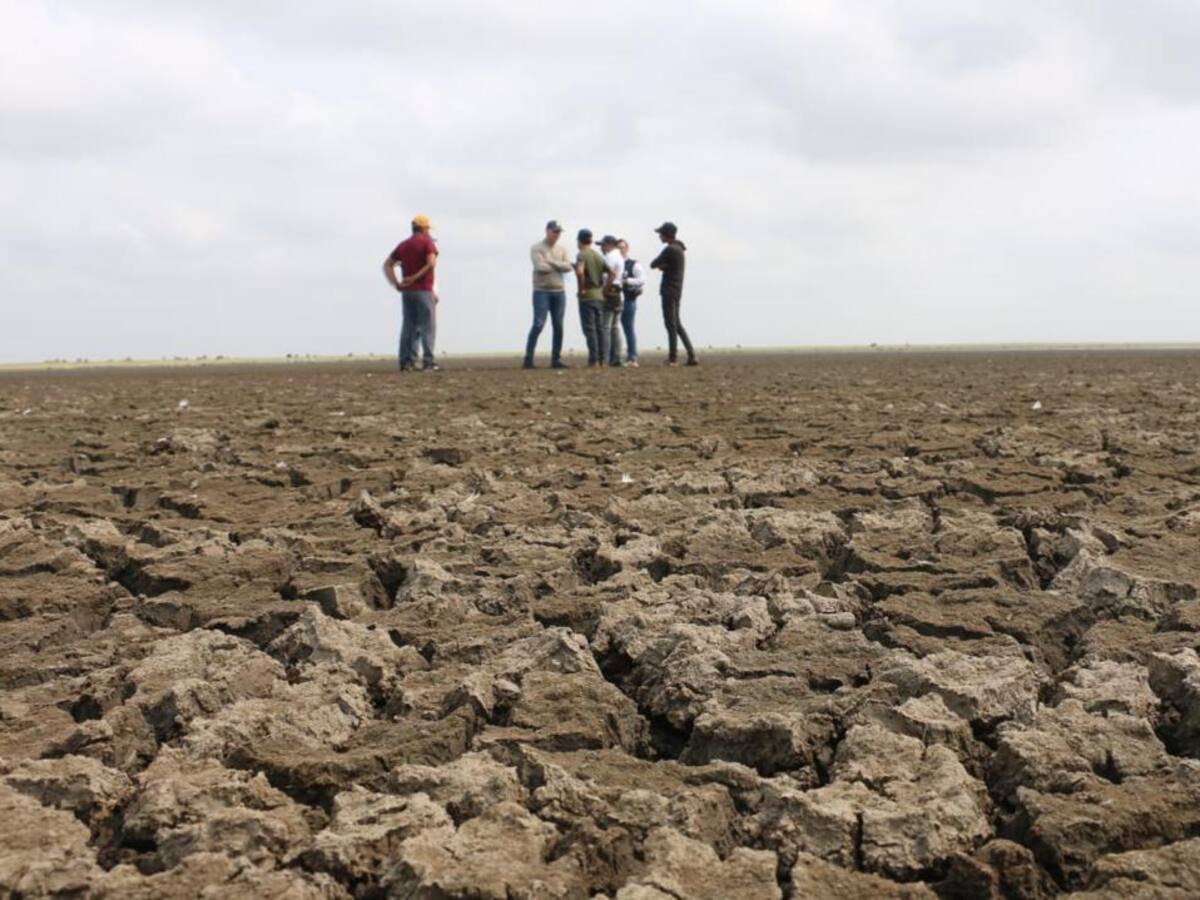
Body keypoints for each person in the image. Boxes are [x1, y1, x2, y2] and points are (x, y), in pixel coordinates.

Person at [382, 214, 440, 371]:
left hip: (407, 292)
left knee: (409, 326)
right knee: (428, 326)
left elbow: (387, 265)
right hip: (423, 290)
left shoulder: (403, 245)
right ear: (424, 228)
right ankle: (428, 361)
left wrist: (396, 283)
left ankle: (407, 361)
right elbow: (431, 263)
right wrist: (415, 277)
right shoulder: (428, 243)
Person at [525, 220, 574, 369]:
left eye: (559, 232)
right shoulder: (536, 248)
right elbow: (540, 267)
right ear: (547, 231)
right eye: (554, 232)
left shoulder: (563, 249)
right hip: (541, 291)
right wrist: (558, 265)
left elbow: (568, 267)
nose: (557, 235)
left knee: (558, 325)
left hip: (559, 291)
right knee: (538, 324)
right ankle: (528, 359)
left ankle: (556, 359)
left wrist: (551, 262)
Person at [650, 221, 697, 367]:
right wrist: (665, 266)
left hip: (669, 290)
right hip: (677, 290)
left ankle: (673, 358)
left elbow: (653, 263)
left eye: (660, 234)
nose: (659, 237)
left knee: (671, 324)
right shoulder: (680, 249)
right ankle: (691, 355)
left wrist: (662, 266)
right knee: (677, 324)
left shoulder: (670, 249)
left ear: (666, 235)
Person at [575, 229, 608, 367]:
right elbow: (611, 272)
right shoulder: (599, 255)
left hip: (587, 296)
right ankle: (602, 360)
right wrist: (605, 288)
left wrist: (581, 288)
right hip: (599, 295)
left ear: (579, 241)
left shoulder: (581, 255)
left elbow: (580, 272)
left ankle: (593, 359)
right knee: (600, 328)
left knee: (590, 329)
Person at [617, 239, 644, 367]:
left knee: (629, 329)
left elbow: (642, 279)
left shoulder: (633, 264)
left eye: (622, 247)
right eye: (618, 248)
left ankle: (632, 357)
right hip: (614, 301)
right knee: (613, 330)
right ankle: (615, 356)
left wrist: (627, 281)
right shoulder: (613, 264)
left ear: (627, 248)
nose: (620, 250)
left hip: (628, 300)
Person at [599, 235, 625, 367]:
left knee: (606, 327)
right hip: (618, 292)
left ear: (608, 244)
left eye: (602, 245)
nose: (601, 248)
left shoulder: (610, 257)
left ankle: (605, 358)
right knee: (616, 326)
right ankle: (618, 356)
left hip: (610, 291)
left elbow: (610, 275)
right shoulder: (619, 256)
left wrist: (604, 291)